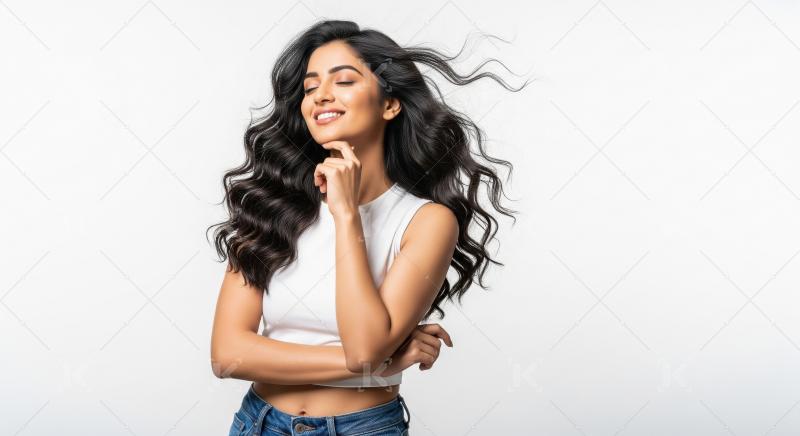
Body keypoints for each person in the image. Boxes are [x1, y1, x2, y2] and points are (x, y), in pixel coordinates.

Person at [208, 19, 525, 435]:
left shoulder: (427, 221)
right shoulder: (271, 206)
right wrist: (383, 364)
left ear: (390, 104)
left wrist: (347, 216)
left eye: (343, 81)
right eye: (310, 87)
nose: (321, 95)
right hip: (260, 423)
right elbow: (227, 355)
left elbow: (364, 350)